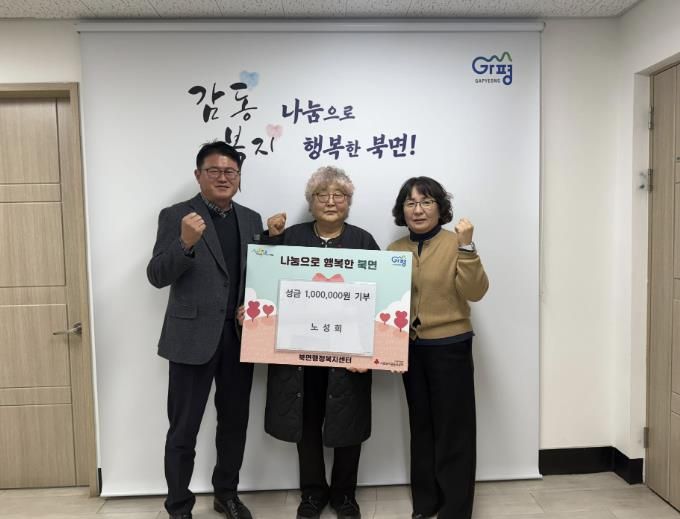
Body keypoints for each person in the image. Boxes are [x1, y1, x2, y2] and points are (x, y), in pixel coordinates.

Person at [147, 141, 264, 519]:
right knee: (183, 429)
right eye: (214, 171)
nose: (223, 177)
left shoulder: (251, 219)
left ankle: (226, 494)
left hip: (239, 337)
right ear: (198, 175)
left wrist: (253, 305)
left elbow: (255, 275)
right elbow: (156, 275)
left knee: (234, 423)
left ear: (239, 177)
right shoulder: (176, 215)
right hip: (191, 338)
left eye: (231, 172)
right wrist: (185, 243)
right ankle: (178, 505)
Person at [263, 166, 379, 519]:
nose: (330, 201)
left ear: (349, 202)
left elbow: (382, 296)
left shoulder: (363, 241)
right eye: (321, 195)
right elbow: (266, 279)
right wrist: (270, 240)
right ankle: (312, 493)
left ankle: (345, 495)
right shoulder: (290, 237)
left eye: (339, 195)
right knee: (307, 423)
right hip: (300, 352)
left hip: (350, 354)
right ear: (310, 202)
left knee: (349, 423)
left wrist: (373, 350)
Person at [387, 177, 489, 519]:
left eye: (426, 202)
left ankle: (454, 510)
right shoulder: (395, 250)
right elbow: (386, 301)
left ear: (440, 208)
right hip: (410, 348)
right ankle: (425, 504)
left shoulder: (455, 243)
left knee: (454, 430)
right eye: (411, 203)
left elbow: (475, 291)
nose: (418, 210)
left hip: (450, 346)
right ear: (402, 210)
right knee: (421, 426)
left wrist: (467, 247)